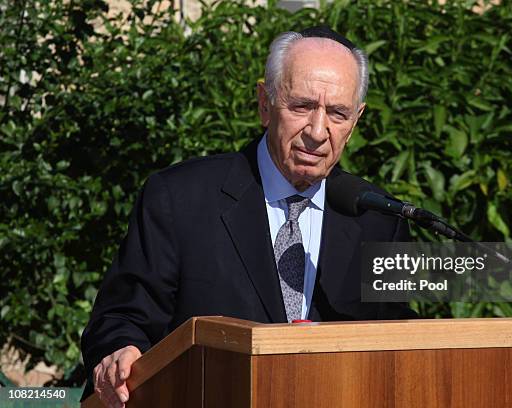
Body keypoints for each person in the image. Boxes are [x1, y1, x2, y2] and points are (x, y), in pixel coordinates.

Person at [81, 26, 417, 407]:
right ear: (264, 103)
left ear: (355, 121)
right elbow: (120, 319)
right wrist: (118, 353)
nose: (318, 131)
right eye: (302, 106)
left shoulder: (378, 217)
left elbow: (399, 344)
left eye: (337, 113)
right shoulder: (179, 198)